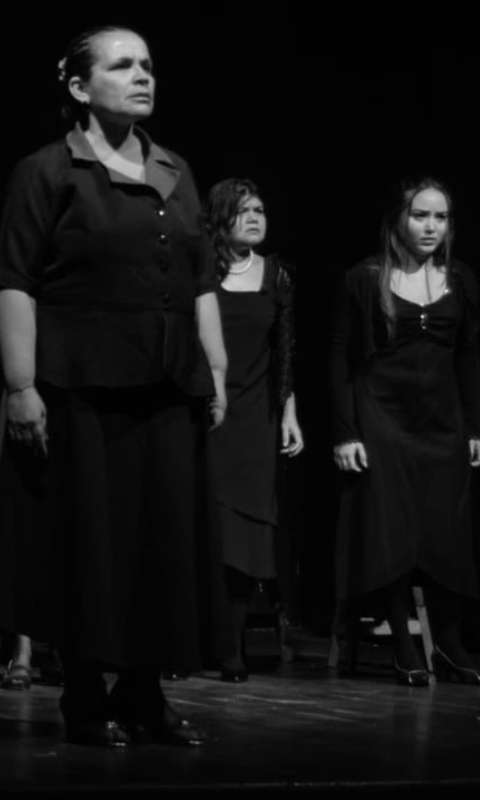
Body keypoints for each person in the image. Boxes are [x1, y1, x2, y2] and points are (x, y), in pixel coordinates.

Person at [0, 25, 232, 747]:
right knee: (91, 544)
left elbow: (200, 281)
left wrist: (216, 371)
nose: (142, 76)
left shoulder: (174, 169)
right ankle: (82, 695)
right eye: (123, 65)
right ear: (79, 86)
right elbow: (15, 282)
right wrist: (19, 385)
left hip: (167, 384)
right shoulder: (47, 170)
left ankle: (142, 692)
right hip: (82, 386)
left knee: (161, 541)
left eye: (148, 65)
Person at [330, 174, 480, 686]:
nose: (431, 226)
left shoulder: (460, 279)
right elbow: (339, 356)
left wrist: (473, 425)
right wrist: (346, 432)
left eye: (441, 217)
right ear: (398, 219)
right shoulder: (364, 278)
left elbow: (469, 355)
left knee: (448, 530)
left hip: (442, 421)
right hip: (382, 416)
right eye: (420, 215)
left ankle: (451, 643)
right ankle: (403, 643)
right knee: (390, 528)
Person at [203, 178, 304, 682]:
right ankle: (190, 640)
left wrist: (289, 412)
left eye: (260, 210)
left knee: (246, 537)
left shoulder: (277, 274)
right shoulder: (200, 271)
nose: (255, 218)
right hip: (207, 414)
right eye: (243, 210)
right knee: (204, 531)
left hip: (256, 418)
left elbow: (284, 350)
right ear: (220, 218)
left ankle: (230, 647)